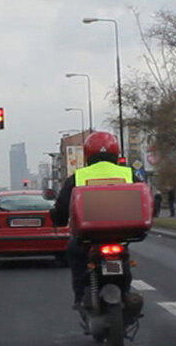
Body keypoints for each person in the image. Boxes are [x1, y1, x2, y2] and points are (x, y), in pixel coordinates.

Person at [50, 131, 133, 309]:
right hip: (120, 233)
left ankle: (80, 297)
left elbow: (63, 206)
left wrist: (58, 219)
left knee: (75, 253)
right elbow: (146, 199)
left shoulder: (78, 177)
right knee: (124, 257)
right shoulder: (130, 174)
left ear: (88, 155)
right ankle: (126, 291)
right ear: (116, 153)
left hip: (89, 237)